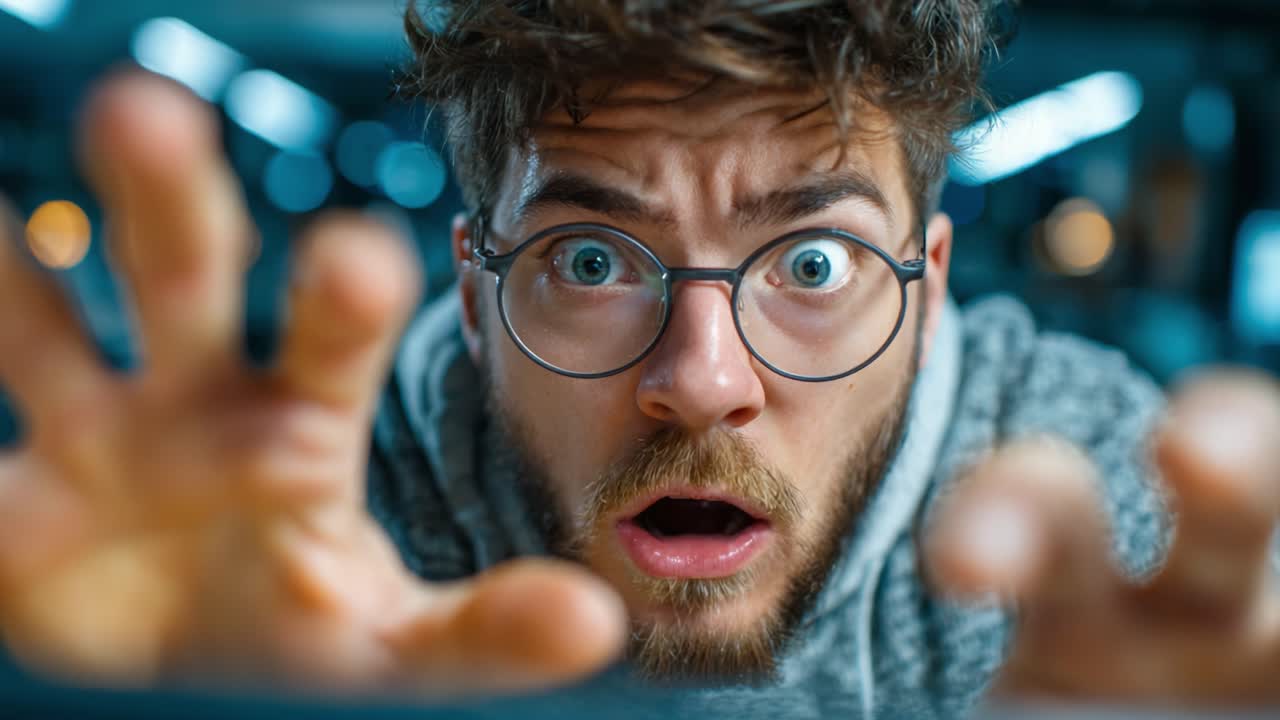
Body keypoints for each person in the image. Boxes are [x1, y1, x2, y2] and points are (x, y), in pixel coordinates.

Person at [0, 1, 1278, 717]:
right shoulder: (313, 518)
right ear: (471, 283)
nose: (704, 377)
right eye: (593, 261)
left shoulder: (1109, 530)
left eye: (813, 265)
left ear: (929, 286)